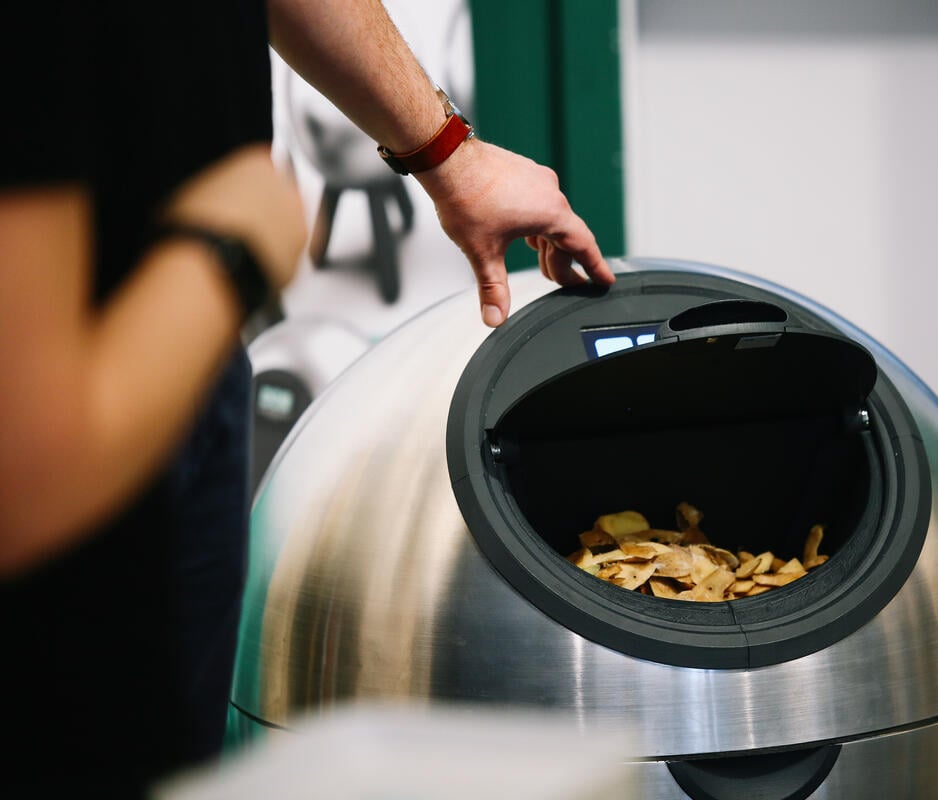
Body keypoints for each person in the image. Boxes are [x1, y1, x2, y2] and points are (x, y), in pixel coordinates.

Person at [0, 0, 614, 793]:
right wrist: (233, 246)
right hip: (83, 389)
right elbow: (26, 477)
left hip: (193, 374)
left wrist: (451, 157)